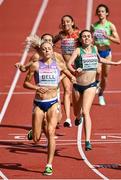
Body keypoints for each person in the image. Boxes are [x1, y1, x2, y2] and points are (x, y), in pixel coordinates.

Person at [23, 41, 76, 175]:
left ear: (52, 51)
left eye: (49, 49)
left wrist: (73, 78)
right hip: (39, 103)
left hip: (53, 102)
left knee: (51, 131)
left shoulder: (58, 64)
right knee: (36, 139)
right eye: (44, 49)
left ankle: (49, 165)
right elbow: (25, 83)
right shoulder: (36, 65)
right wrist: (36, 87)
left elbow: (69, 74)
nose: (47, 51)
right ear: (41, 52)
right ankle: (34, 131)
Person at [67, 29, 121, 151]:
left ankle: (87, 141)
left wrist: (115, 63)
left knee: (86, 112)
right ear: (81, 39)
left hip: (91, 86)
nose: (86, 38)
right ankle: (77, 118)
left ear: (92, 39)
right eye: (84, 36)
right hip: (78, 85)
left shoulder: (94, 49)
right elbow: (68, 64)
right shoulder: (78, 50)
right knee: (77, 112)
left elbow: (100, 60)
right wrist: (74, 71)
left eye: (88, 36)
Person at [15, 33, 66, 139]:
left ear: (52, 43)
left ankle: (41, 130)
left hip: (54, 89)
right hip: (41, 92)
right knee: (45, 118)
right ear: (41, 43)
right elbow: (26, 69)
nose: (47, 42)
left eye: (49, 40)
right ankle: (41, 132)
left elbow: (65, 70)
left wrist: (59, 79)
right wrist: (21, 67)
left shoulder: (58, 57)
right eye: (45, 40)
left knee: (58, 119)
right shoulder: (37, 57)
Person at [91, 4, 120, 105]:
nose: (100, 13)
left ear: (106, 13)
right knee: (98, 71)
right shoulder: (94, 26)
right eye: (98, 11)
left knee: (105, 76)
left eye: (102, 11)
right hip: (97, 52)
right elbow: (90, 40)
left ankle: (101, 94)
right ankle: (96, 84)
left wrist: (107, 36)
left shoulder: (110, 25)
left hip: (107, 52)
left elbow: (118, 41)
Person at [53, 15, 80, 127]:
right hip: (65, 67)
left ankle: (78, 115)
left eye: (68, 21)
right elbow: (51, 41)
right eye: (63, 22)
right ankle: (68, 119)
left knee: (77, 93)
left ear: (72, 22)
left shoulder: (78, 33)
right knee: (67, 90)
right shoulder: (61, 35)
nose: (65, 24)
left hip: (77, 66)